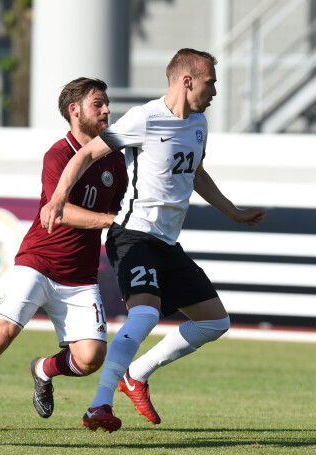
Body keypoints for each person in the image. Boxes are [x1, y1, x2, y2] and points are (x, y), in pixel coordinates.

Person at [40, 48, 267, 433]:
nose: (215, 90)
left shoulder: (199, 125)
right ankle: (100, 404)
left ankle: (138, 373)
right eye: (210, 82)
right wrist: (59, 196)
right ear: (187, 80)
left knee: (215, 322)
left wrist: (233, 211)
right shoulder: (144, 118)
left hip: (166, 243)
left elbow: (195, 172)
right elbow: (87, 155)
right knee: (145, 314)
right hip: (132, 235)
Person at [0, 77, 127, 432]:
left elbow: (122, 215)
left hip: (80, 277)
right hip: (38, 263)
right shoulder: (59, 153)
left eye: (106, 102)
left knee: (91, 358)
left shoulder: (115, 160)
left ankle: (42, 369)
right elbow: (60, 211)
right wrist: (112, 220)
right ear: (75, 110)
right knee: (0, 334)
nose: (107, 109)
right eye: (98, 104)